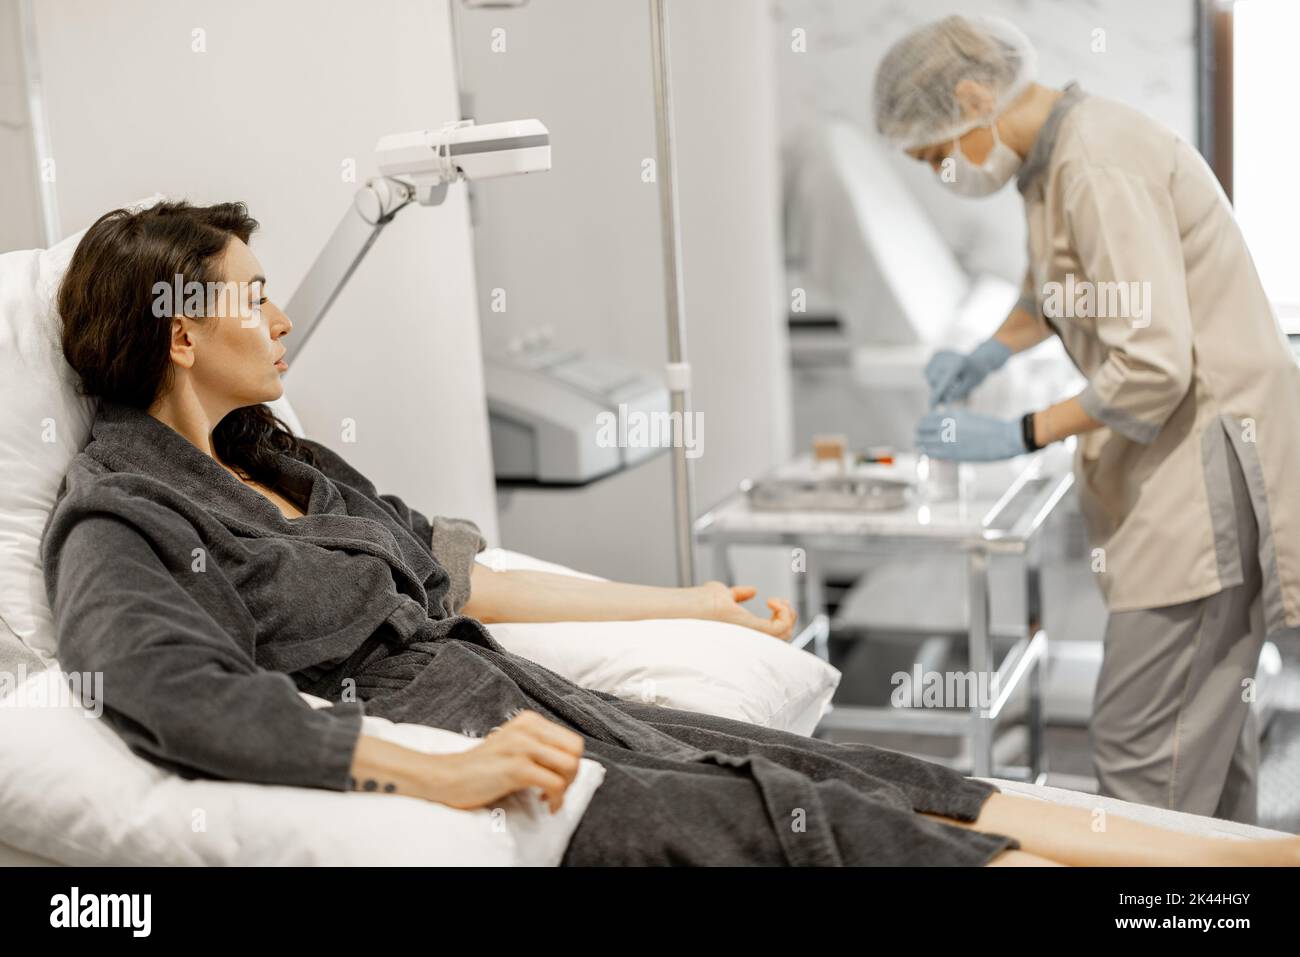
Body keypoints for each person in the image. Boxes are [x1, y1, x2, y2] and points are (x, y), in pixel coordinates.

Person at [40, 200, 1300, 865]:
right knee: (808, 831)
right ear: (179, 330)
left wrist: (683, 605)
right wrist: (437, 770)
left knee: (868, 777)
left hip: (515, 687)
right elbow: (176, 695)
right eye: (251, 296)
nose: (280, 317)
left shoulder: (285, 461)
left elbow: (454, 571)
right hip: (465, 732)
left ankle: (1241, 866)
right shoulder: (123, 514)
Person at [874, 15, 1300, 824]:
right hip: (1179, 460)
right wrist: (987, 353)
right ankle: (1213, 910)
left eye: (936, 154)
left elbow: (1156, 364)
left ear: (972, 98)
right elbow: (1053, 293)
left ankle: (1154, 913)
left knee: (1143, 756)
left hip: (1200, 468)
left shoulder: (1097, 163)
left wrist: (1022, 433)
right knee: (1207, 742)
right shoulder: (1054, 162)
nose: (943, 171)